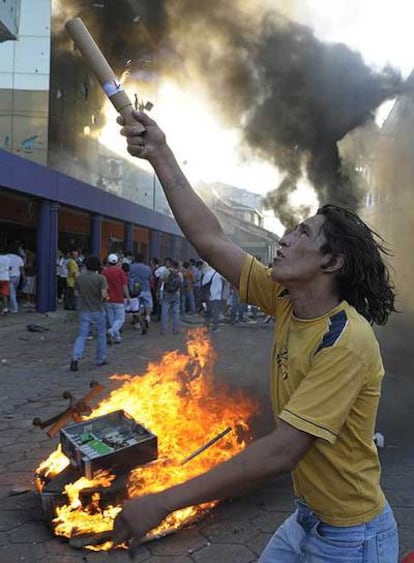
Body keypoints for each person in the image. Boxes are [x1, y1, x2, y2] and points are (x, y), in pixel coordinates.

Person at [113, 111, 399, 561]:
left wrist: (162, 501)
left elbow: (281, 451)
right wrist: (161, 154)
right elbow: (210, 240)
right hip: (305, 520)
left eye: (302, 232)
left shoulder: (347, 342)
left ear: (331, 262)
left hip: (352, 539)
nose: (283, 239)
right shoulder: (286, 299)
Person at [70, 255, 108, 371]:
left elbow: (76, 294)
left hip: (84, 310)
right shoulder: (101, 278)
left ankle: (75, 358)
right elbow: (103, 295)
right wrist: (104, 299)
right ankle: (100, 359)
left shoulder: (80, 278)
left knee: (81, 336)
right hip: (98, 310)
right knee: (101, 335)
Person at [102, 253, 130, 345]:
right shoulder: (120, 272)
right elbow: (124, 286)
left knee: (112, 320)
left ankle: (117, 337)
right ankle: (112, 331)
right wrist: (128, 297)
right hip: (118, 299)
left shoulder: (104, 272)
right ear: (117, 262)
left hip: (108, 299)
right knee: (120, 319)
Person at [128, 253, 153, 335]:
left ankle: (137, 323)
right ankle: (147, 317)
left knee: (136, 307)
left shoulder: (131, 267)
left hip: (135, 290)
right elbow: (150, 278)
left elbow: (128, 277)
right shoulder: (147, 268)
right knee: (148, 304)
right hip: (146, 288)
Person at [0, 248, 11, 315]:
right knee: (5, 295)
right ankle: (5, 309)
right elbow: (10, 267)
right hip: (6, 278)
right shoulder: (7, 258)